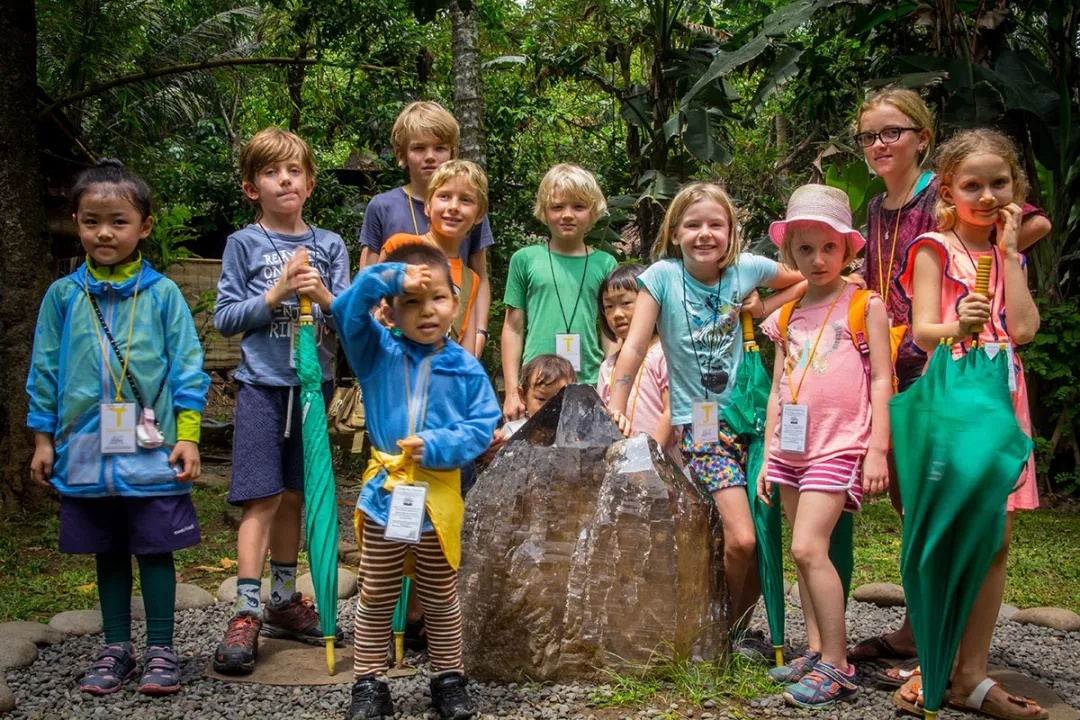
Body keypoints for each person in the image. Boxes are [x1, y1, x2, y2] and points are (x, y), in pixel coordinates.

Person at [848, 87, 1051, 666]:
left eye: (894, 132)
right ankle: (927, 633)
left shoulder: (944, 190)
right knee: (916, 504)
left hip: (966, 364)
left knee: (953, 511)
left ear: (923, 138)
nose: (881, 144)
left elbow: (1032, 221)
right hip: (902, 355)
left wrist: (992, 254)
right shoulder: (880, 204)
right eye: (870, 136)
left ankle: (941, 641)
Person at [27, 158, 210, 696]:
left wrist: (190, 434)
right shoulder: (63, 297)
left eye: (118, 221)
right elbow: (44, 367)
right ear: (78, 222)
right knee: (107, 548)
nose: (104, 232)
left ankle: (160, 650)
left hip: (152, 446)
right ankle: (114, 648)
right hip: (85, 448)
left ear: (144, 226)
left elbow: (188, 366)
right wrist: (42, 438)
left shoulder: (163, 295)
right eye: (91, 221)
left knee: (154, 546)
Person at [606, 182, 804, 658]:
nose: (705, 234)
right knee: (740, 538)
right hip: (702, 427)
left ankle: (734, 631)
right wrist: (617, 395)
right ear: (675, 233)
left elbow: (799, 282)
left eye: (716, 224)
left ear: (732, 232)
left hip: (752, 420)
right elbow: (634, 344)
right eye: (693, 225)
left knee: (760, 530)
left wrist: (763, 307)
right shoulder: (663, 276)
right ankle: (720, 631)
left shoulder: (748, 269)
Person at [892, 129, 1048, 720]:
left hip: (1002, 394)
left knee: (996, 537)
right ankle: (939, 662)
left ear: (1016, 189)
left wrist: (1010, 255)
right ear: (949, 191)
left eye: (998, 183)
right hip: (955, 396)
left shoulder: (1009, 254)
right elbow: (921, 332)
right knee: (956, 530)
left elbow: (1026, 329)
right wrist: (958, 323)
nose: (986, 195)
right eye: (971, 185)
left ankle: (971, 675)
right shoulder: (934, 248)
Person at [332, 243, 500, 720]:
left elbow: (481, 424)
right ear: (389, 308)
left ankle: (449, 677)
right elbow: (346, 310)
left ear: (457, 303)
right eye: (412, 302)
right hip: (386, 494)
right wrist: (390, 277)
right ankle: (368, 681)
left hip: (437, 500)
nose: (427, 311)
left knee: (440, 595)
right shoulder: (376, 353)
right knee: (376, 592)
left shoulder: (466, 366)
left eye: (438, 299)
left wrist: (441, 444)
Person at [212, 127, 351, 675]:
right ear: (252, 188)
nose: (284, 179)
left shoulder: (330, 243)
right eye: (271, 172)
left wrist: (321, 295)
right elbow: (224, 318)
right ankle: (246, 607)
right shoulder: (244, 244)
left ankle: (283, 597)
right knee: (261, 497)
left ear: (310, 182)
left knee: (299, 494)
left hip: (315, 390)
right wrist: (273, 295)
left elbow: (350, 316)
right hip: (262, 388)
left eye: (293, 170)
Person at [754, 185, 892, 707]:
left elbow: (881, 379)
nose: (817, 259)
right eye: (805, 249)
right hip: (791, 448)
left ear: (847, 249)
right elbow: (777, 388)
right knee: (803, 553)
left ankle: (838, 664)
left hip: (839, 444)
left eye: (828, 248)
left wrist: (877, 448)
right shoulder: (786, 314)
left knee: (809, 547)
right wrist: (769, 455)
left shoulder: (863, 304)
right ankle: (815, 649)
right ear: (790, 253)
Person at [358, 101, 494, 357]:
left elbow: (479, 277)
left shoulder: (469, 209)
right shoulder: (383, 206)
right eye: (419, 148)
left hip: (453, 331)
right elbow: (368, 274)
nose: (430, 156)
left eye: (439, 148)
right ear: (401, 154)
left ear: (453, 152)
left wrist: (479, 335)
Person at [502, 163, 617, 416]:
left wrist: (613, 389)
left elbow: (611, 331)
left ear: (593, 211)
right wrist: (512, 392)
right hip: (537, 387)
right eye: (557, 206)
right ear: (544, 210)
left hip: (589, 382)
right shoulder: (525, 259)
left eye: (578, 206)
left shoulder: (605, 263)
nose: (567, 214)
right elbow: (513, 326)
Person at [378, 159, 488, 357]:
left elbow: (467, 354)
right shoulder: (401, 247)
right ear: (428, 206)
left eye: (466, 200)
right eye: (444, 196)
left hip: (439, 382)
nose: (454, 207)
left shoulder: (470, 280)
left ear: (479, 215)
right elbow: (368, 307)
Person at [595, 264, 676, 462]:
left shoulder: (664, 353)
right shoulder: (608, 367)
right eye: (609, 306)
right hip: (624, 463)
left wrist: (653, 456)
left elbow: (671, 411)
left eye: (626, 302)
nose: (617, 314)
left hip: (663, 459)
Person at [500, 354, 577, 439]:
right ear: (522, 395)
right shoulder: (513, 431)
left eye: (561, 400)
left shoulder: (577, 432)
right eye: (542, 399)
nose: (551, 407)